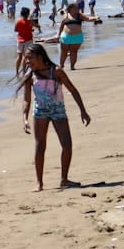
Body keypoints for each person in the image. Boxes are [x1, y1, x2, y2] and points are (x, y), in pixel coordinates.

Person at [18, 44, 90, 191]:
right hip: (40, 113)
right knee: (40, 147)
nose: (27, 61)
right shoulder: (30, 76)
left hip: (58, 111)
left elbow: (73, 90)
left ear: (40, 56)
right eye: (26, 59)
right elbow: (27, 99)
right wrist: (24, 118)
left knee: (67, 145)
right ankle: (39, 183)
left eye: (30, 58)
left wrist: (83, 110)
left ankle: (64, 179)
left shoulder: (57, 72)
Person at [57, 2, 99, 70]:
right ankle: (61, 66)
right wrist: (58, 35)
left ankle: (72, 66)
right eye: (75, 7)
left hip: (77, 37)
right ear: (70, 9)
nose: (77, 8)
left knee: (74, 52)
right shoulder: (65, 15)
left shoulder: (79, 15)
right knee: (64, 52)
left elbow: (88, 19)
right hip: (66, 36)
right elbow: (61, 26)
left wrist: (95, 18)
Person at [14, 7, 33, 74]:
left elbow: (15, 30)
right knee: (25, 56)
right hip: (28, 40)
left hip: (20, 40)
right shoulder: (30, 21)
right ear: (28, 14)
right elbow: (38, 26)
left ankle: (16, 71)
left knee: (19, 57)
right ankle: (24, 71)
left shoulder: (18, 21)